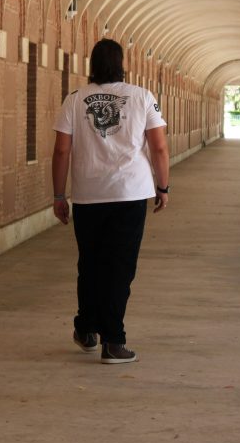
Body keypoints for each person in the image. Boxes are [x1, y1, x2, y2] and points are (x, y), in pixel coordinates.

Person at [52, 38, 170, 364]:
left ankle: (87, 329)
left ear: (92, 65)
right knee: (119, 267)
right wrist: (164, 187)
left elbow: (62, 150)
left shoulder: (75, 100)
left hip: (89, 195)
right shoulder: (142, 96)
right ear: (122, 63)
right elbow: (159, 147)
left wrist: (59, 195)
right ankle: (113, 341)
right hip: (130, 194)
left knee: (90, 263)